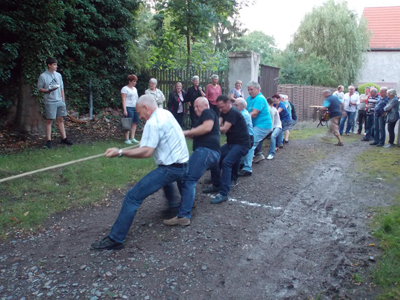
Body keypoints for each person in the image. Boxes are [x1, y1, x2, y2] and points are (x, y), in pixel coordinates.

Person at [91, 95, 189, 250]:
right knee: (164, 178)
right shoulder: (165, 113)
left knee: (132, 196)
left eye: (140, 112)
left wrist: (120, 152)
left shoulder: (153, 122)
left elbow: (146, 152)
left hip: (172, 168)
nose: (140, 117)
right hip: (183, 164)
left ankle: (115, 239)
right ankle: (174, 206)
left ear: (146, 107)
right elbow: (152, 142)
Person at [163, 97, 220, 226]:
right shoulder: (200, 119)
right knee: (182, 173)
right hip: (207, 153)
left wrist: (186, 132)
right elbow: (193, 134)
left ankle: (183, 216)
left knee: (188, 179)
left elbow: (206, 128)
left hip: (206, 151)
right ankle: (188, 201)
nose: (195, 109)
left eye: (197, 106)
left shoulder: (207, 112)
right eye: (194, 107)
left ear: (205, 105)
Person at [202, 95, 250, 204]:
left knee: (226, 163)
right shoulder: (224, 111)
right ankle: (216, 185)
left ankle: (223, 193)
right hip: (231, 143)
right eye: (218, 107)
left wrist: (210, 129)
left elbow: (224, 129)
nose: (220, 109)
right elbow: (218, 123)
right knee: (215, 158)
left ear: (229, 103)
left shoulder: (233, 112)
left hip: (242, 144)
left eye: (222, 107)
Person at [37, 57, 73, 149]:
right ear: (49, 65)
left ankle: (64, 138)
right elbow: (40, 88)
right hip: (50, 101)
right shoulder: (43, 76)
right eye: (54, 65)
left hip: (59, 101)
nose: (56, 66)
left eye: (56, 64)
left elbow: (61, 88)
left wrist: (63, 100)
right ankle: (48, 141)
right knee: (49, 121)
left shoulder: (58, 75)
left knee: (60, 119)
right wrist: (47, 90)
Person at [239, 81, 272, 174]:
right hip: (256, 125)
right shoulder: (249, 98)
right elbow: (244, 110)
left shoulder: (260, 99)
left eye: (251, 89)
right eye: (248, 89)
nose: (249, 91)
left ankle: (247, 168)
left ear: (257, 89)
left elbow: (254, 113)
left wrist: (240, 120)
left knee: (250, 144)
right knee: (246, 142)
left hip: (263, 126)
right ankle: (242, 162)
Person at [121, 74, 139, 144]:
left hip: (135, 107)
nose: (134, 83)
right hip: (128, 107)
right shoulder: (125, 89)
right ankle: (126, 139)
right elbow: (123, 99)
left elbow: (137, 98)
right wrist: (125, 110)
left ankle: (132, 137)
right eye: (133, 81)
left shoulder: (135, 89)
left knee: (134, 122)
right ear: (129, 81)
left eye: (135, 81)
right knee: (128, 123)